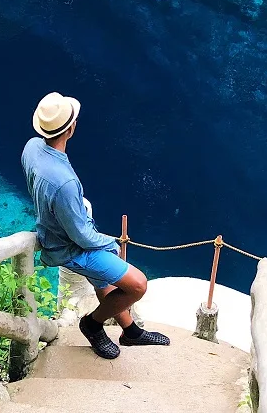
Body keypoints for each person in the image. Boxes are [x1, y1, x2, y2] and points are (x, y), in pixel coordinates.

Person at [21, 91, 170, 359]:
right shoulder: (64, 182)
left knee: (105, 281)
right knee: (137, 285)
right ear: (71, 129)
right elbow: (81, 235)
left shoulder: (31, 148)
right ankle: (92, 323)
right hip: (70, 248)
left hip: (54, 229)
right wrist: (109, 244)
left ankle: (131, 332)